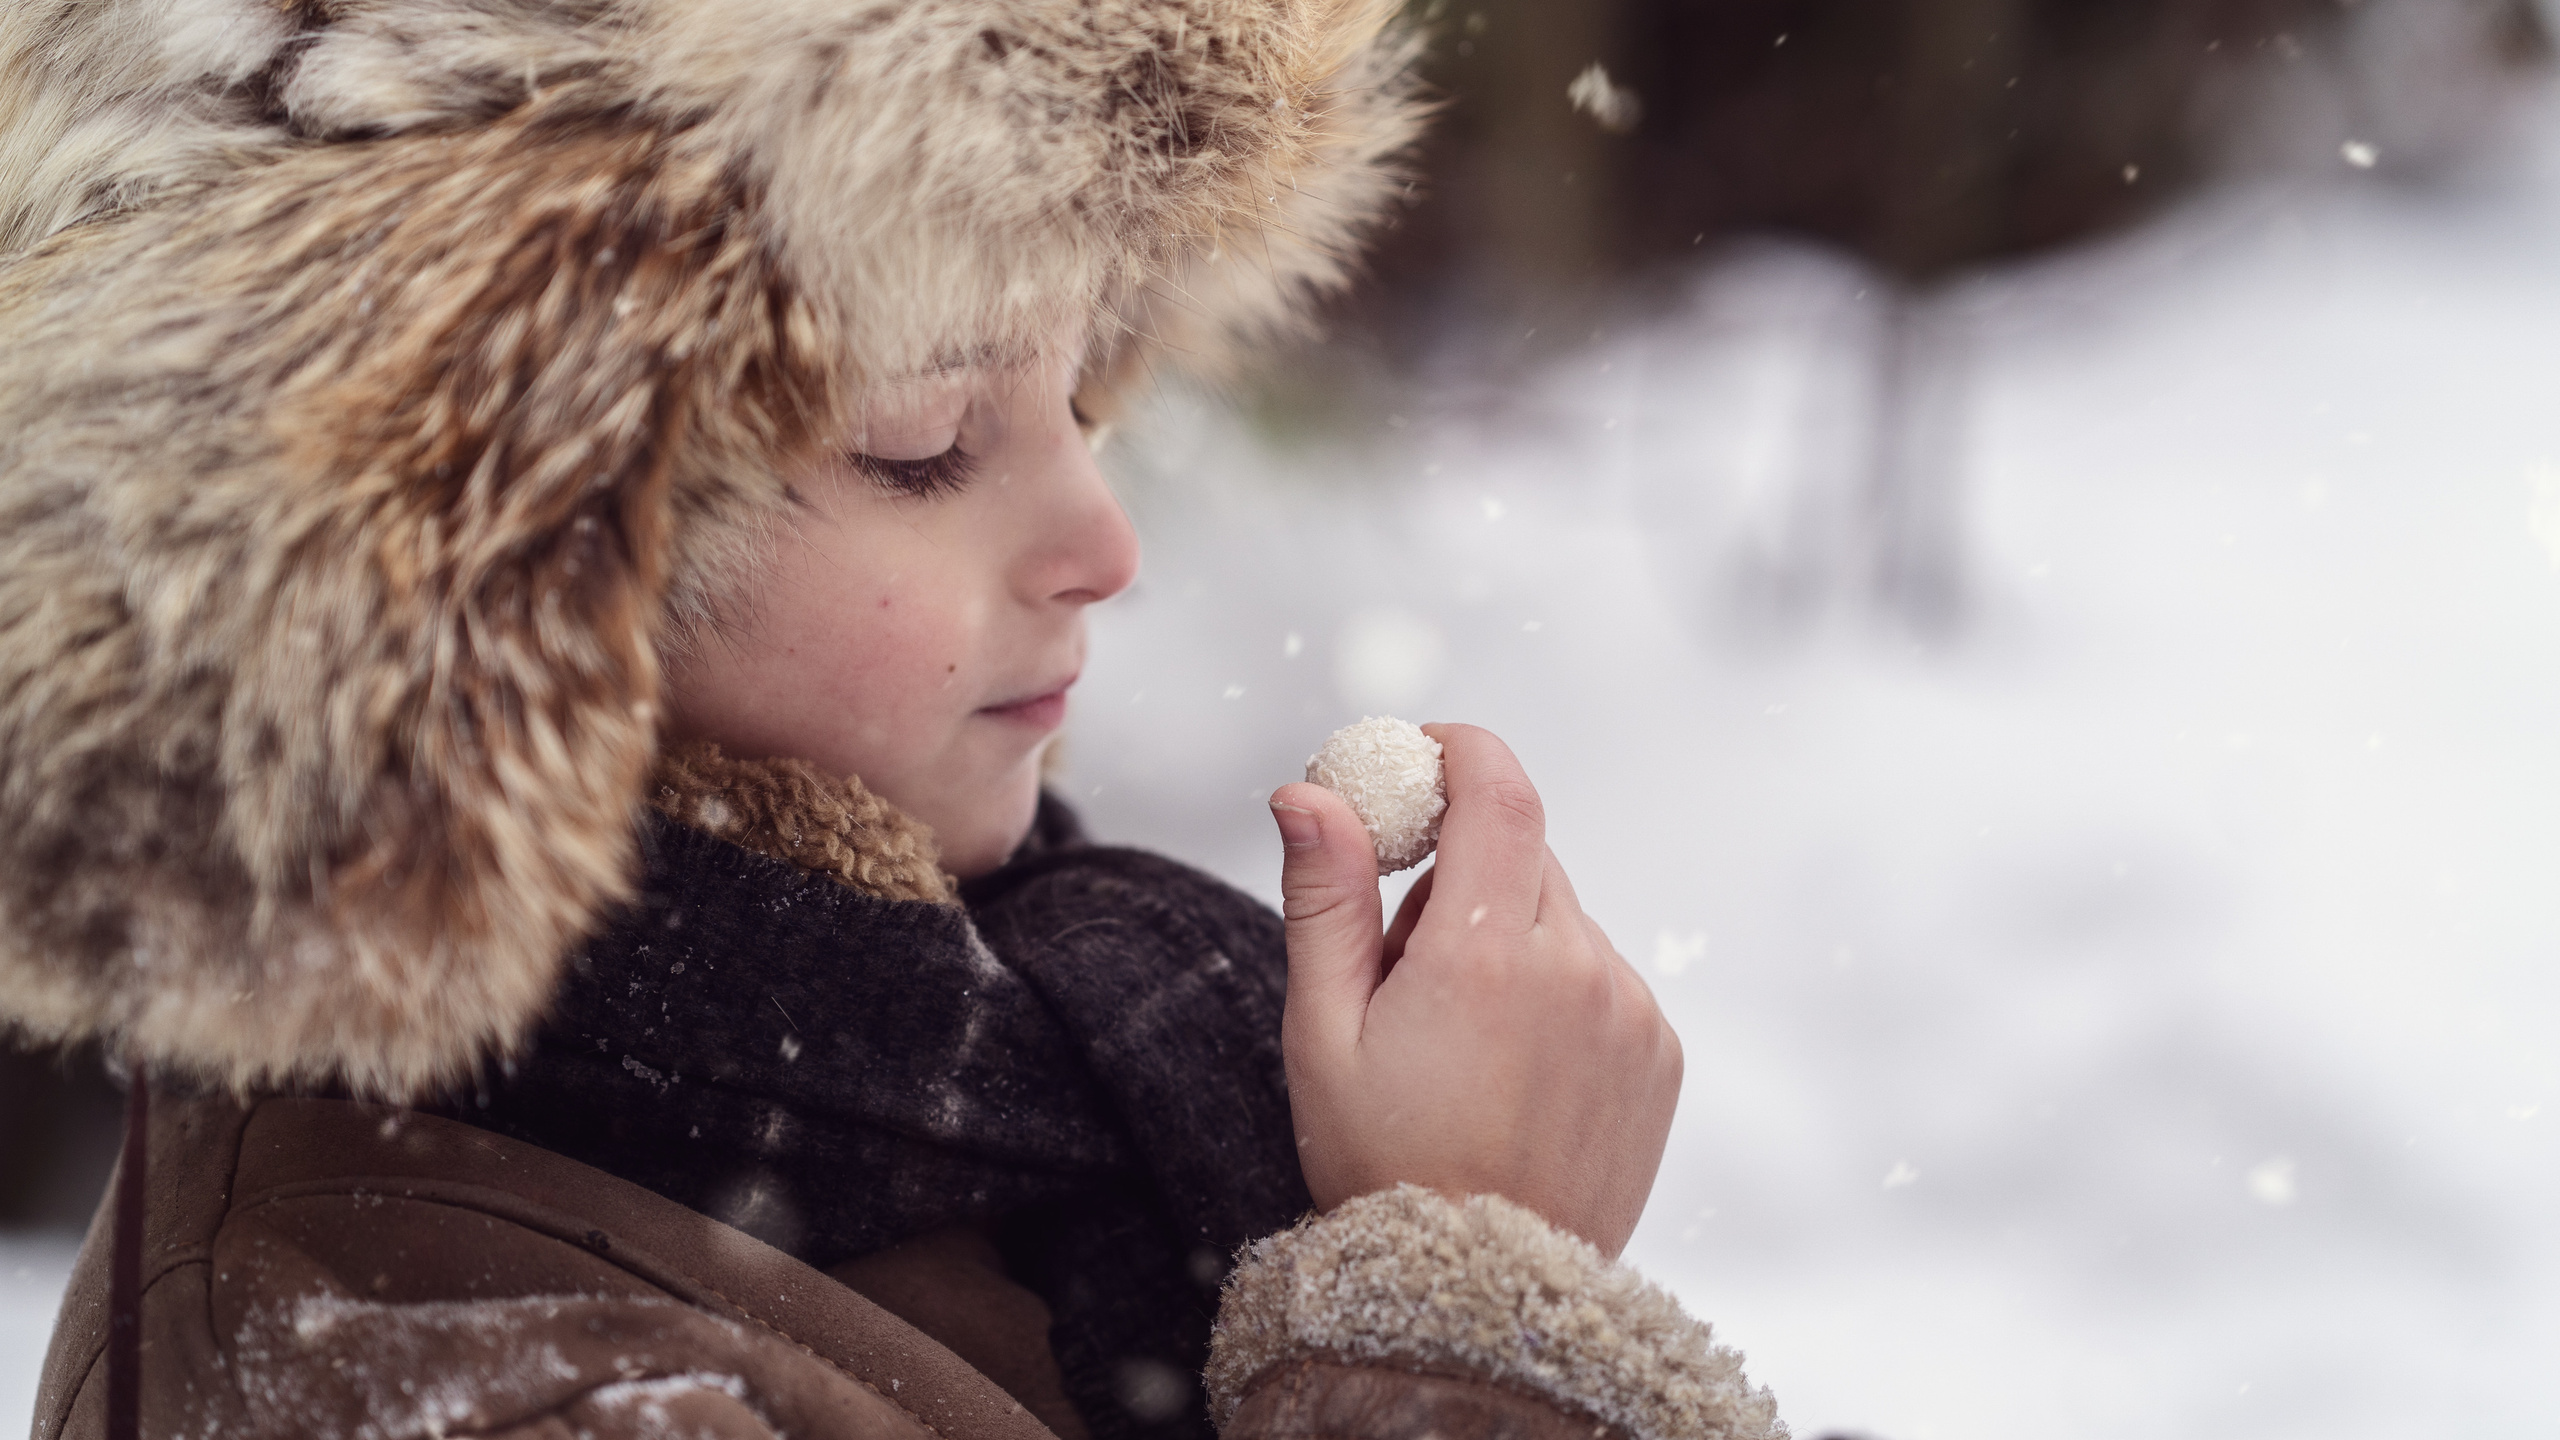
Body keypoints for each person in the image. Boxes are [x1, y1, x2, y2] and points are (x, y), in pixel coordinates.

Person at [0, 1, 1785, 1437]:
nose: (1105, 541)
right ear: (474, 571)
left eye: (1086, 387)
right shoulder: (395, 1365)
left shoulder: (962, 1054)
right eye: (919, 446)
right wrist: (1470, 1334)